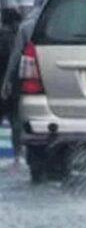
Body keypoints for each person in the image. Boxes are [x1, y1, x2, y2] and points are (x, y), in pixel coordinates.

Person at [1, 9, 38, 166]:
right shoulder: (17, 37)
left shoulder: (10, 36)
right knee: (16, 120)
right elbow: (14, 60)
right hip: (14, 85)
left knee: (14, 119)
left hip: (9, 84)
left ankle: (18, 155)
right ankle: (18, 155)